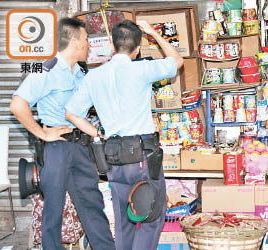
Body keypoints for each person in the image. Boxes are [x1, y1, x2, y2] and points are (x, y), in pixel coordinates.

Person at [65, 19, 183, 250]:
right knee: (151, 215)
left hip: (114, 157)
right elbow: (176, 61)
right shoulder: (142, 68)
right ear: (138, 47)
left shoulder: (94, 76)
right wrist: (154, 34)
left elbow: (71, 114)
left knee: (125, 220)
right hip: (143, 156)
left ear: (111, 43)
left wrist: (98, 133)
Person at [9, 18, 116, 250]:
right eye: (86, 40)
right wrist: (42, 133)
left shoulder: (81, 71)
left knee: (92, 204)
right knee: (53, 209)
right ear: (75, 41)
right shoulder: (45, 69)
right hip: (57, 147)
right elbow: (17, 105)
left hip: (80, 147)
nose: (89, 45)